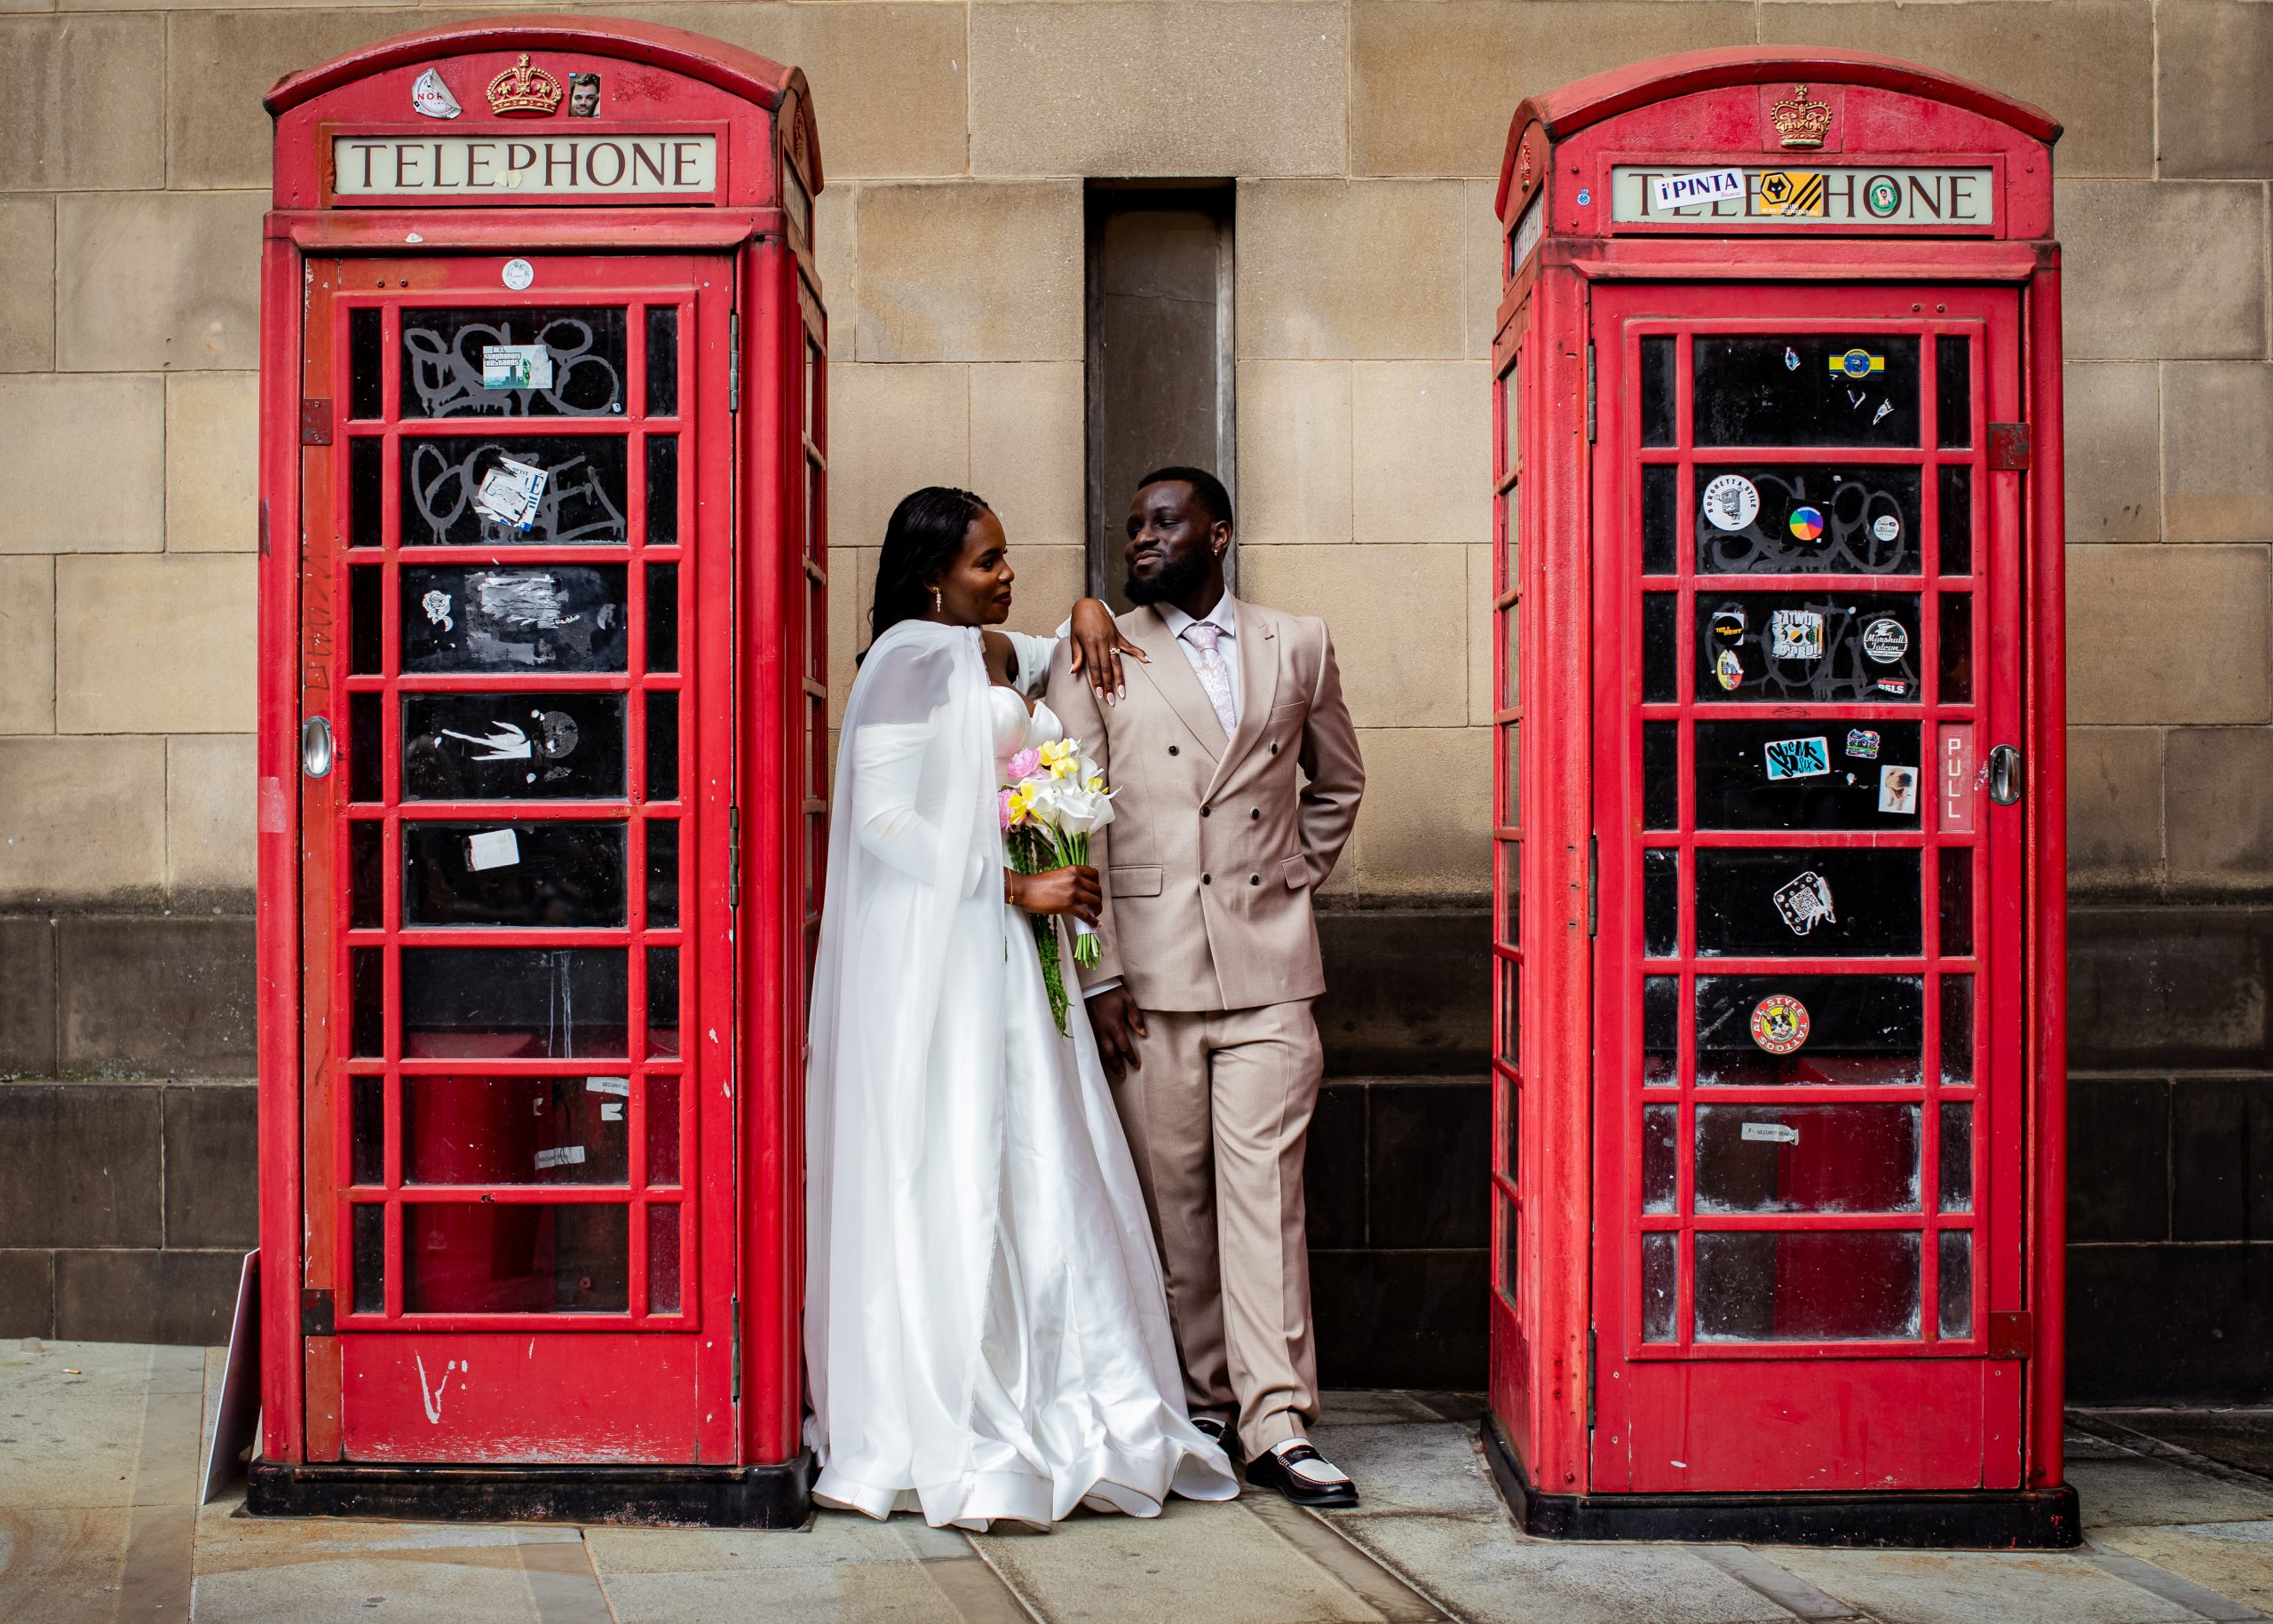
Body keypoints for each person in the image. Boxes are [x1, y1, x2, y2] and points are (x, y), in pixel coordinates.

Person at [804, 486, 1238, 1530]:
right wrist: (1014, 884)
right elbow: (882, 823)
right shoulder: (904, 660)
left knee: (1039, 1149)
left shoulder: (987, 649)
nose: (1007, 576)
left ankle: (1063, 1377)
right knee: (958, 1148)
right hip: (944, 948)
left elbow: (1053, 653)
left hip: (1011, 950)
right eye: (986, 562)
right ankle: (965, 1397)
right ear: (932, 578)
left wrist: (1089, 607)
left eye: (1005, 557)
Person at [1046, 467, 1366, 1508]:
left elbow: (1339, 780)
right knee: (1175, 1209)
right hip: (1148, 973)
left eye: (1163, 522)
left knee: (1266, 1201)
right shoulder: (1099, 649)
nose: (1140, 538)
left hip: (1270, 968)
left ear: (1217, 534)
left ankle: (1279, 1419)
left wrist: (1287, 874)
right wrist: (1097, 971)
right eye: (1131, 526)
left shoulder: (1298, 641)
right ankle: (1205, 1403)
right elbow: (1074, 822)